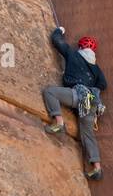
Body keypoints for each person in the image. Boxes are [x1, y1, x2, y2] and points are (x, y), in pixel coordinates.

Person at [42, 27, 107, 180]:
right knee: (88, 134)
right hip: (91, 103)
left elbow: (57, 42)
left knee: (50, 92)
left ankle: (58, 122)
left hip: (77, 95)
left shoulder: (73, 55)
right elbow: (103, 84)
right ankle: (97, 168)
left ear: (80, 47)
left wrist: (59, 30)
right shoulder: (96, 68)